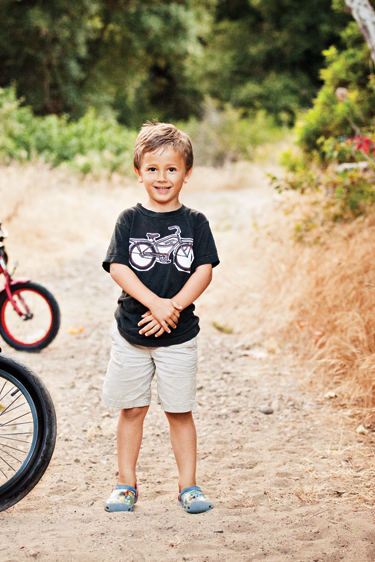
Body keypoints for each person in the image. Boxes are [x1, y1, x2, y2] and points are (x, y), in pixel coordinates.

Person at [101, 121, 219, 514]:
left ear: (187, 173)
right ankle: (125, 484)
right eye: (152, 169)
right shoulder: (128, 220)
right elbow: (118, 267)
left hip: (179, 334)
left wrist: (174, 307)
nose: (162, 177)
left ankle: (189, 486)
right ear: (138, 172)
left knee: (179, 411)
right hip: (131, 332)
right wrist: (155, 302)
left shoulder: (195, 222)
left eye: (172, 169)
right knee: (131, 408)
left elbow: (204, 270)